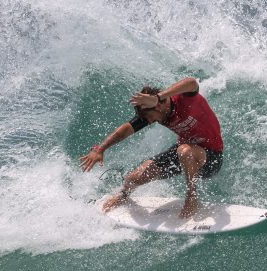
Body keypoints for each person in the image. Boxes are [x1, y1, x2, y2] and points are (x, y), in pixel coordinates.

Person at [80, 77, 223, 219]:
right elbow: (126, 128)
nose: (149, 121)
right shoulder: (155, 113)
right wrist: (101, 148)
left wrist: (158, 97)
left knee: (184, 150)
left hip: (211, 158)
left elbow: (191, 83)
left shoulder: (185, 100)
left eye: (149, 116)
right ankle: (123, 196)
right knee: (133, 178)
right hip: (184, 154)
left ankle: (191, 198)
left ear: (158, 106)